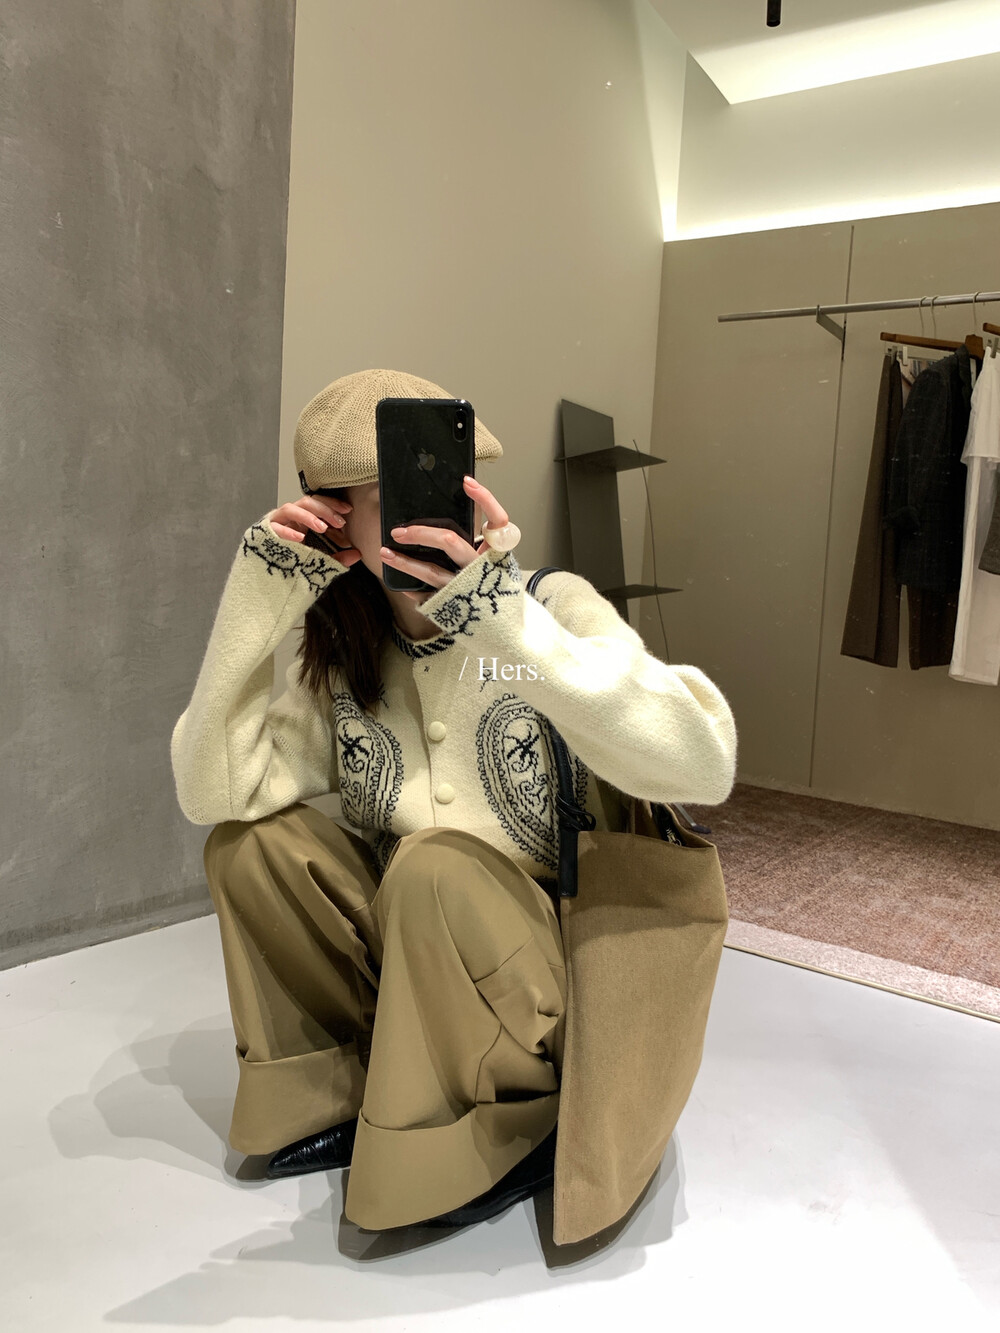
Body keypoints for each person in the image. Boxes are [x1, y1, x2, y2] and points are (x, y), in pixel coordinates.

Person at [170, 367, 738, 1234]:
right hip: (419, 969)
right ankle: (333, 1093)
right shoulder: (348, 657)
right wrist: (260, 604)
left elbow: (704, 761)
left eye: (446, 481)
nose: (431, 511)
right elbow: (211, 789)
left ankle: (473, 1133)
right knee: (249, 848)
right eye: (388, 497)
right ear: (334, 524)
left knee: (433, 866)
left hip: (552, 987)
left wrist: (498, 616)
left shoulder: (545, 608)